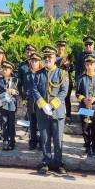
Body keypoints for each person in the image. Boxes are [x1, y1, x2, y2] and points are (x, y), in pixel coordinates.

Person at [32, 45, 69, 174]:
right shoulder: (37, 74)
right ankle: (46, 161)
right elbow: (34, 90)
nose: (47, 59)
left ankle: (59, 163)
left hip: (57, 111)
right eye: (45, 57)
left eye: (50, 56)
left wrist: (52, 105)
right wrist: (43, 104)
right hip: (42, 112)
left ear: (55, 58)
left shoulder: (62, 73)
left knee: (58, 139)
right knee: (45, 138)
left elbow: (64, 91)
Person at [76, 54, 95, 157]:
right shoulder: (80, 78)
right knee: (85, 129)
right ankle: (87, 147)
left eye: (91, 64)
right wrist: (83, 99)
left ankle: (94, 148)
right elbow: (77, 93)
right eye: (87, 64)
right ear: (85, 65)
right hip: (84, 107)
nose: (89, 66)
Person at [0, 61, 18, 150]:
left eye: (6, 69)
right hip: (2, 105)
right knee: (4, 122)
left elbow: (19, 92)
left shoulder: (15, 80)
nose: (4, 71)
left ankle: (12, 141)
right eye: (3, 69)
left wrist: (14, 91)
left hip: (11, 105)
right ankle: (5, 141)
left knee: (11, 123)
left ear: (11, 70)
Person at [25, 52, 43, 150]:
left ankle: (41, 142)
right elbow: (25, 87)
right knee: (32, 124)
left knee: (41, 124)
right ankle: (33, 142)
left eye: (36, 61)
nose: (34, 63)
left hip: (40, 102)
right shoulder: (27, 74)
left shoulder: (42, 73)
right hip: (31, 102)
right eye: (32, 61)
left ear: (39, 62)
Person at [56, 40, 74, 123]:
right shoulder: (54, 57)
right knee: (57, 97)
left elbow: (72, 69)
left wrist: (68, 65)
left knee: (67, 98)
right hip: (56, 81)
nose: (60, 48)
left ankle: (68, 116)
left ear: (64, 48)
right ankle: (58, 114)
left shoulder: (68, 56)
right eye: (59, 46)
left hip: (66, 80)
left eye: (62, 46)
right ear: (57, 47)